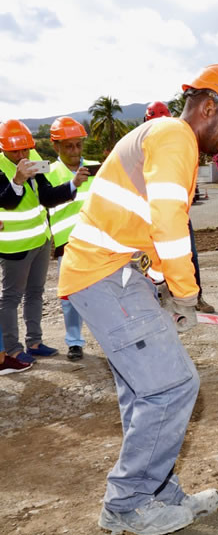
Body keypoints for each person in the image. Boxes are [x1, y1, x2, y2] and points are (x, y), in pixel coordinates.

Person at [58, 64, 218, 535]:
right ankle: (126, 502)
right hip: (105, 275)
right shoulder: (175, 138)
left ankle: (157, 492)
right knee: (173, 386)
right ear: (209, 107)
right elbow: (169, 224)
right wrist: (187, 294)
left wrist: (164, 287)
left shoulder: (166, 136)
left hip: (112, 273)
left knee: (146, 389)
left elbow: (151, 230)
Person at [0, 120, 85, 365]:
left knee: (35, 293)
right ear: (4, 148)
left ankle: (34, 342)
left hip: (40, 241)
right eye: (15, 151)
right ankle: (14, 350)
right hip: (14, 246)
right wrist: (17, 181)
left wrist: (72, 185)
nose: (22, 155)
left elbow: (46, 196)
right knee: (10, 298)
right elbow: (6, 202)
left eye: (25, 149)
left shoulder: (34, 158)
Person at [144, 101, 216, 315]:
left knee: (187, 253)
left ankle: (196, 297)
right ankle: (156, 299)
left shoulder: (176, 142)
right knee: (149, 259)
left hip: (174, 212)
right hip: (148, 214)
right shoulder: (143, 144)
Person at [46, 117, 99, 361]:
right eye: (68, 146)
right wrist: (73, 183)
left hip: (97, 243)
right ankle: (74, 342)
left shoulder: (95, 168)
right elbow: (48, 200)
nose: (75, 151)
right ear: (55, 146)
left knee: (103, 292)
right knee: (69, 297)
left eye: (78, 145)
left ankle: (108, 337)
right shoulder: (48, 173)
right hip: (67, 245)